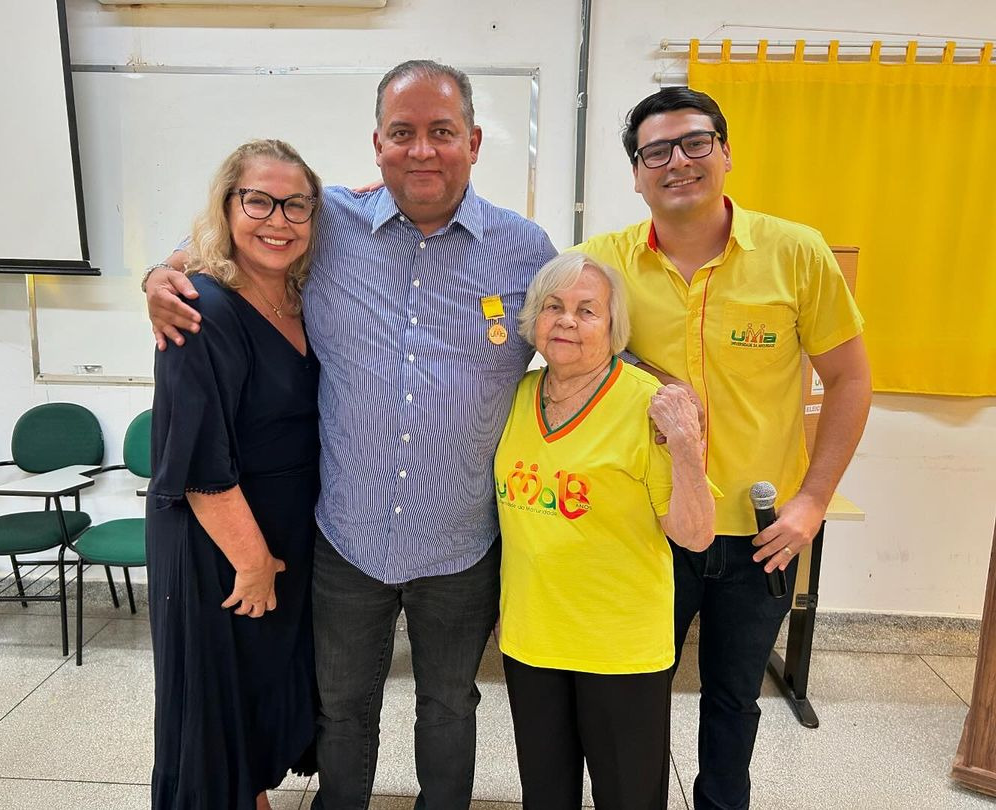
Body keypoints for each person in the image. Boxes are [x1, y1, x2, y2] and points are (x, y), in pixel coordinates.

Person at [144, 60, 557, 810]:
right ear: (377, 143)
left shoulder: (526, 249)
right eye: (403, 133)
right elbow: (221, 240)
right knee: (343, 711)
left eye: (441, 132)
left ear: (474, 140)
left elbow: (577, 343)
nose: (422, 150)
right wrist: (156, 277)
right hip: (345, 537)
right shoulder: (325, 219)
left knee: (449, 707)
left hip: (461, 540)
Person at [576, 87, 872, 810]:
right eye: (656, 151)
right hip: (650, 529)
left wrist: (813, 501)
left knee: (734, 701)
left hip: (762, 534)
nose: (677, 161)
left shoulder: (794, 252)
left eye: (695, 142)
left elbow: (850, 378)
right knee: (635, 697)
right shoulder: (602, 263)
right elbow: (558, 345)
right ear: (637, 173)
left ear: (726, 152)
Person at [495, 252, 716, 810]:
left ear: (614, 327)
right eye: (554, 307)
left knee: (629, 798)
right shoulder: (517, 398)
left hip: (619, 648)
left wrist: (688, 446)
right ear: (535, 321)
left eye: (587, 310)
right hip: (532, 639)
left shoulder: (646, 404)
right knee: (545, 795)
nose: (567, 321)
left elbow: (695, 535)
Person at [146, 139, 323, 810]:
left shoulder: (302, 295)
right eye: (258, 201)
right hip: (221, 546)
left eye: (296, 205)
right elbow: (197, 461)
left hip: (282, 537)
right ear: (227, 206)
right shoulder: (201, 307)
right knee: (217, 708)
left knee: (254, 698)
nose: (278, 220)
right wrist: (252, 562)